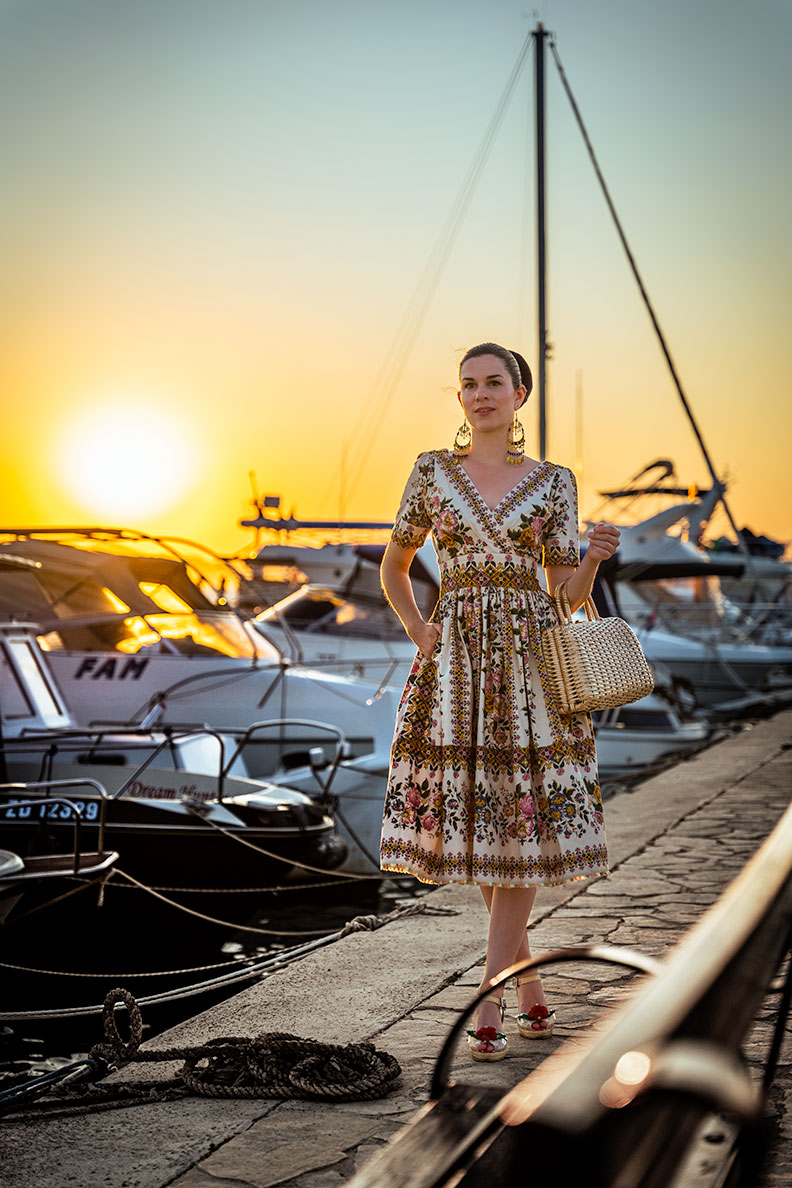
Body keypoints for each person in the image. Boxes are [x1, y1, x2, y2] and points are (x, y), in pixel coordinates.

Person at [379, 342, 620, 1061]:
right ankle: (527, 988)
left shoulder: (554, 483)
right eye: (469, 385)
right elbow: (395, 565)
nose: (481, 394)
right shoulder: (431, 471)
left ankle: (489, 993)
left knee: (516, 824)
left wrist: (595, 558)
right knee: (483, 825)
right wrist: (421, 629)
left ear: (520, 393)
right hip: (453, 660)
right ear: (460, 400)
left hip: (530, 664)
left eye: (495, 383)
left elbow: (564, 595)